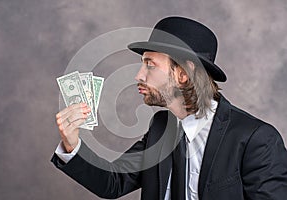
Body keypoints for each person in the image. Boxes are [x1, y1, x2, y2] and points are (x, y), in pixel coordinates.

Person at [51, 17, 287, 200]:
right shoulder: (160, 127)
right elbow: (113, 182)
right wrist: (72, 145)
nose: (138, 75)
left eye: (149, 65)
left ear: (183, 74)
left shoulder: (257, 139)